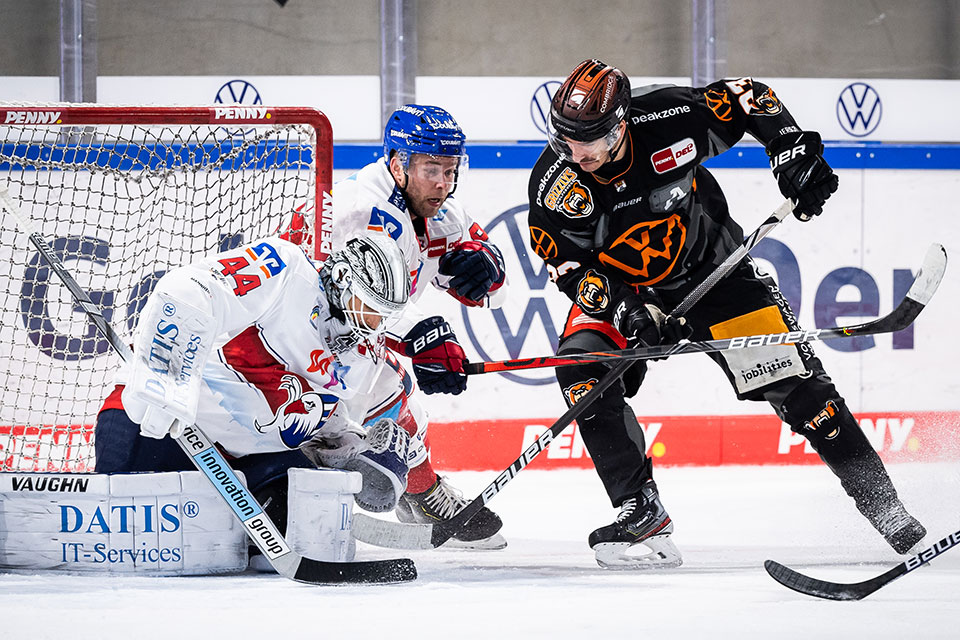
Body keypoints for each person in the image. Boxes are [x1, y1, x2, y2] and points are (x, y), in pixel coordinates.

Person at [526, 59, 926, 569]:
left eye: (588, 140)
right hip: (624, 291)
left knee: (803, 391)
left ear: (622, 123)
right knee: (582, 368)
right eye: (564, 140)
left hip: (714, 273)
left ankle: (887, 510)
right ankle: (639, 508)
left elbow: (748, 96)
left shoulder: (667, 117)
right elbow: (566, 266)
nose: (574, 154)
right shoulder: (555, 186)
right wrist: (626, 309)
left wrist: (790, 150)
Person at [95, 233, 415, 542]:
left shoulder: (363, 355)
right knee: (125, 541)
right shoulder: (288, 268)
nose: (376, 323)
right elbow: (191, 288)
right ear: (344, 279)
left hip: (237, 464)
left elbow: (313, 417)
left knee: (314, 530)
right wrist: (166, 377)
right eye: (372, 306)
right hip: (157, 426)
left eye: (386, 315)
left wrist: (352, 450)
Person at [331, 104, 509, 549]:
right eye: (431, 168)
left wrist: (485, 268)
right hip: (297, 329)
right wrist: (423, 332)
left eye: (450, 170)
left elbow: (495, 293)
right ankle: (416, 492)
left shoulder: (441, 212)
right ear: (396, 162)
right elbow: (354, 301)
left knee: (395, 394)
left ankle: (418, 494)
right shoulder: (359, 208)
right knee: (380, 388)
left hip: (344, 336)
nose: (442, 183)